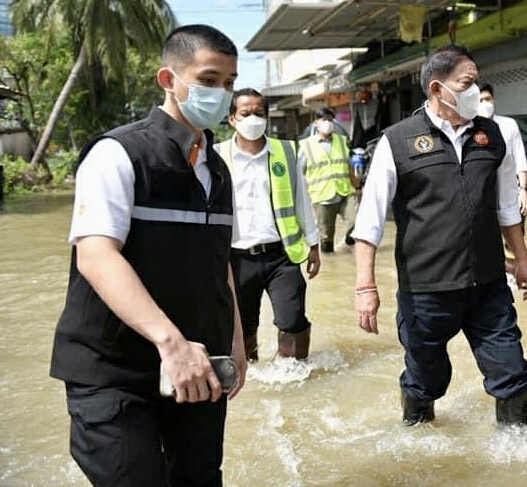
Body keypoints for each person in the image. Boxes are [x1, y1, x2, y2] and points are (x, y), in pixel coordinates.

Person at [50, 24, 246, 485]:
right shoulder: (118, 154)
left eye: (230, 83)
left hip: (198, 369)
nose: (222, 94)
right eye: (210, 80)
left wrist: (235, 341)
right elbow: (96, 255)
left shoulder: (216, 169)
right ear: (168, 80)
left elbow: (219, 264)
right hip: (116, 374)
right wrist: (171, 343)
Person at [352, 45, 527, 431]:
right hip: (426, 291)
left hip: (487, 285)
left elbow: (507, 207)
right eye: (467, 83)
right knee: (427, 381)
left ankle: (525, 454)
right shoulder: (397, 140)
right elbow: (369, 220)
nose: (476, 91)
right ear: (438, 88)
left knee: (512, 374)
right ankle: (420, 442)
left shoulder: (494, 135)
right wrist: (365, 287)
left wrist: (522, 261)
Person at [215, 88, 320, 362]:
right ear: (232, 119)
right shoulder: (217, 157)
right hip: (236, 260)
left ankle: (294, 377)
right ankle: (251, 374)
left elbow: (302, 200)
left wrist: (314, 243)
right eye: (245, 113)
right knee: (243, 324)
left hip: (281, 256)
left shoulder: (286, 151)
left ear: (267, 116)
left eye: (258, 113)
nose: (253, 119)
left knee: (292, 318)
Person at [299, 107, 360, 254]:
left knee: (357, 222)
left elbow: (348, 166)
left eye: (330, 120)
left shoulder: (342, 141)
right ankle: (329, 260)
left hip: (345, 192)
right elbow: (299, 174)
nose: (327, 123)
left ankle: (349, 241)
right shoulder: (306, 145)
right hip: (322, 197)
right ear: (316, 122)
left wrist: (357, 186)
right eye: (324, 119)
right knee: (326, 238)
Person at [478, 83, 527, 217]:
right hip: (483, 203)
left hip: (510, 199)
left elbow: (520, 159)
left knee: (515, 236)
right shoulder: (470, 129)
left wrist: (523, 190)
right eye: (480, 100)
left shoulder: (508, 125)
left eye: (488, 99)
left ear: (493, 99)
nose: (485, 103)